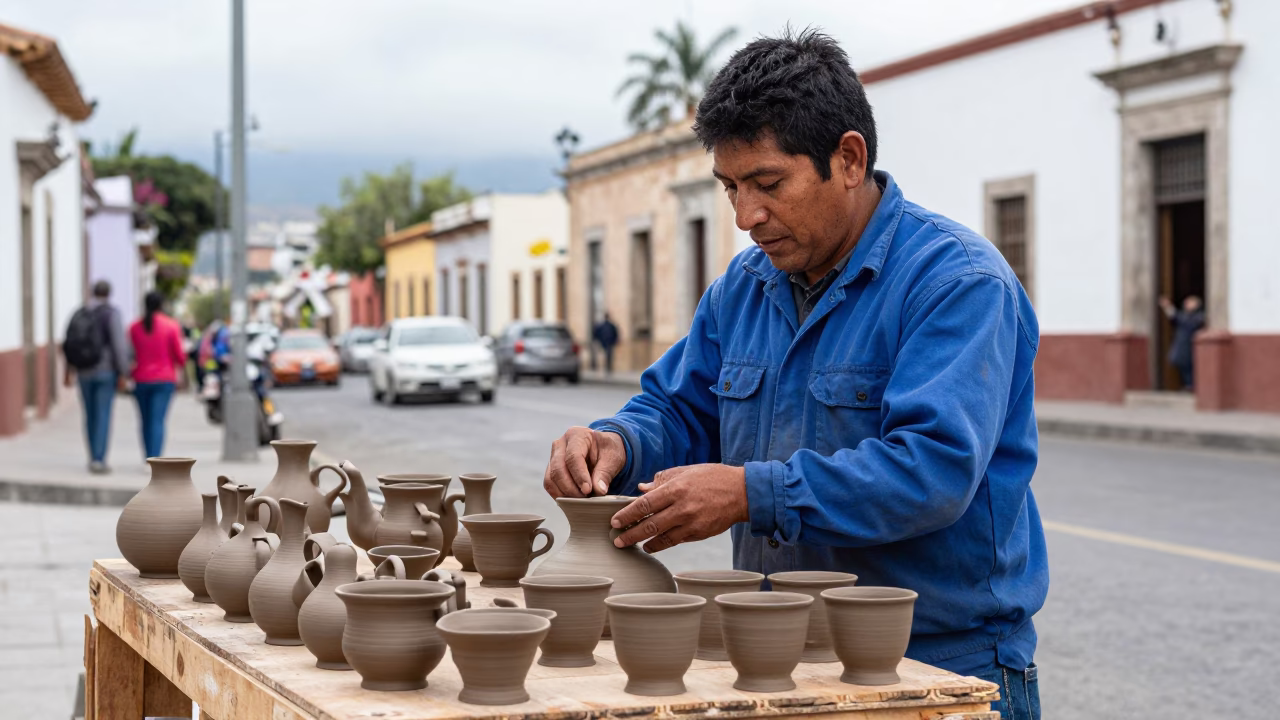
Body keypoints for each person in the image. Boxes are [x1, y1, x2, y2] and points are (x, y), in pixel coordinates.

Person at [543, 30, 1044, 720]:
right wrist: (618, 443)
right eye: (731, 189)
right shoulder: (744, 288)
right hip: (773, 661)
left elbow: (931, 472)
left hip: (939, 665)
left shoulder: (956, 282)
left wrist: (753, 492)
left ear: (848, 158)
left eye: (768, 184)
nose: (747, 217)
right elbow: (682, 412)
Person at [63, 280, 129, 474]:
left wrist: (69, 371)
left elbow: (69, 343)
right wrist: (124, 372)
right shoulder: (112, 314)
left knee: (89, 415)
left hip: (83, 372)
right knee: (103, 414)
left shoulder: (80, 313)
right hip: (105, 372)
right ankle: (99, 459)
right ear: (109, 294)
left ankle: (91, 454)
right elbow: (119, 345)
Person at [129, 291, 188, 458]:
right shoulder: (171, 326)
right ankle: (155, 457)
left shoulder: (134, 327)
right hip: (164, 379)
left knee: (145, 420)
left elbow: (131, 353)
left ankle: (147, 454)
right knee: (157, 420)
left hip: (141, 378)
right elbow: (179, 355)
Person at [1159, 295, 1204, 391]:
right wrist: (1168, 307)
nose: (1187, 305)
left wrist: (1169, 307)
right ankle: (1188, 385)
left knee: (1190, 366)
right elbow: (1175, 318)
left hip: (1190, 346)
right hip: (1182, 345)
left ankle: (1191, 385)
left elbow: (1181, 319)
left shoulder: (1198, 316)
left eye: (1190, 303)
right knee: (1180, 363)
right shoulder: (1184, 315)